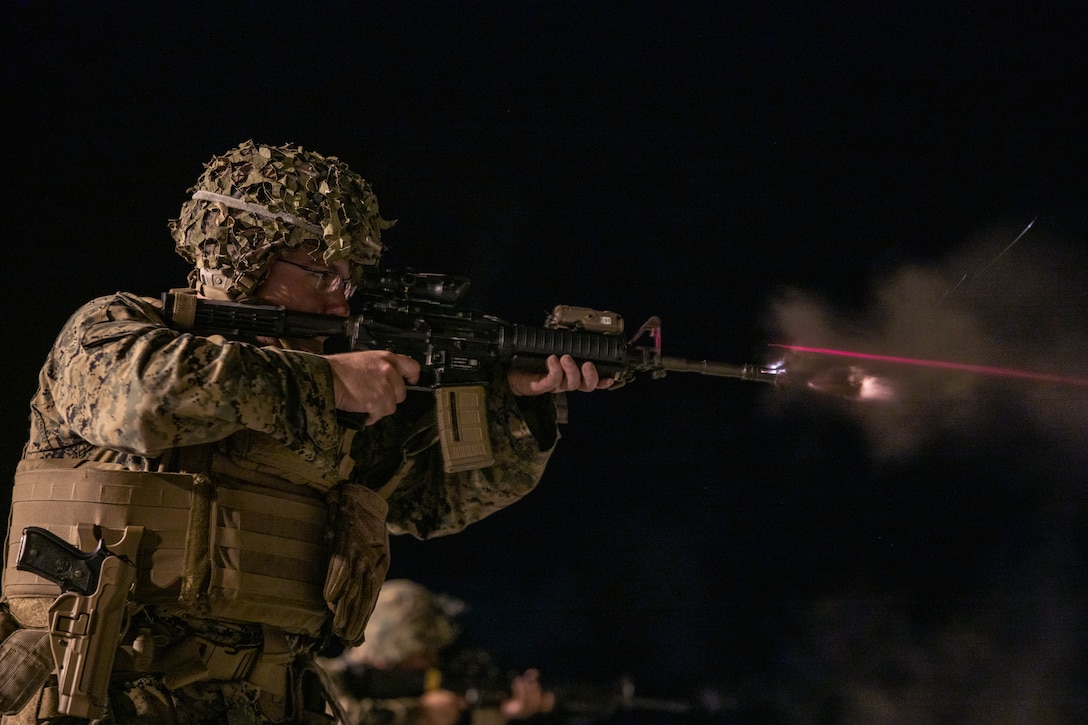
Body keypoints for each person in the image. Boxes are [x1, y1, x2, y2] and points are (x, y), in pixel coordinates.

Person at [0, 140, 611, 724]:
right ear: (243, 256)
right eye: (323, 273)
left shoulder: (321, 400)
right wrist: (326, 384)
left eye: (350, 279)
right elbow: (141, 399)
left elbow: (435, 502)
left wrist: (520, 408)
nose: (341, 301)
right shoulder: (117, 328)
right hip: (102, 692)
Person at [318, 580, 556, 725]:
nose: (432, 661)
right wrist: (418, 714)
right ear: (387, 656)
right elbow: (341, 717)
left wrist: (494, 712)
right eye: (422, 652)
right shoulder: (321, 679)